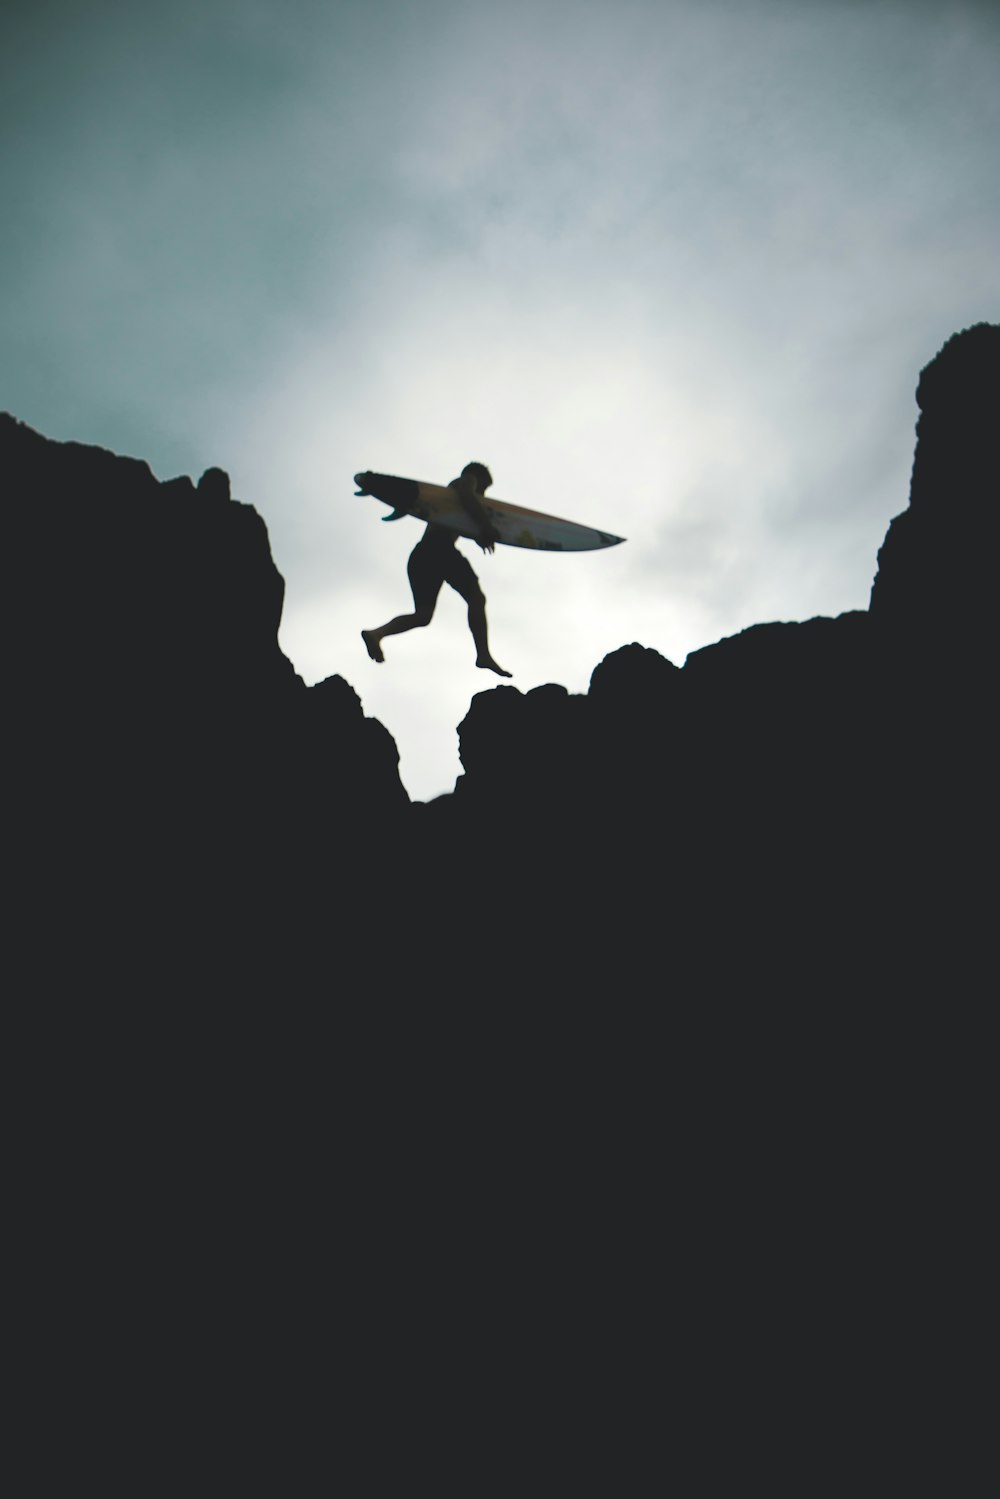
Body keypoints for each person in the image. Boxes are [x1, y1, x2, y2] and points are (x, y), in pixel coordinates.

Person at [362, 461, 512, 677]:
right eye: (484, 488)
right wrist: (485, 526)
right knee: (476, 599)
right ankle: (484, 655)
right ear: (478, 478)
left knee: (423, 616)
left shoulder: (450, 501)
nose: (483, 494)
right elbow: (468, 498)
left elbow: (457, 519)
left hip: (422, 554)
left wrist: (480, 535)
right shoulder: (467, 481)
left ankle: (376, 634)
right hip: (440, 549)